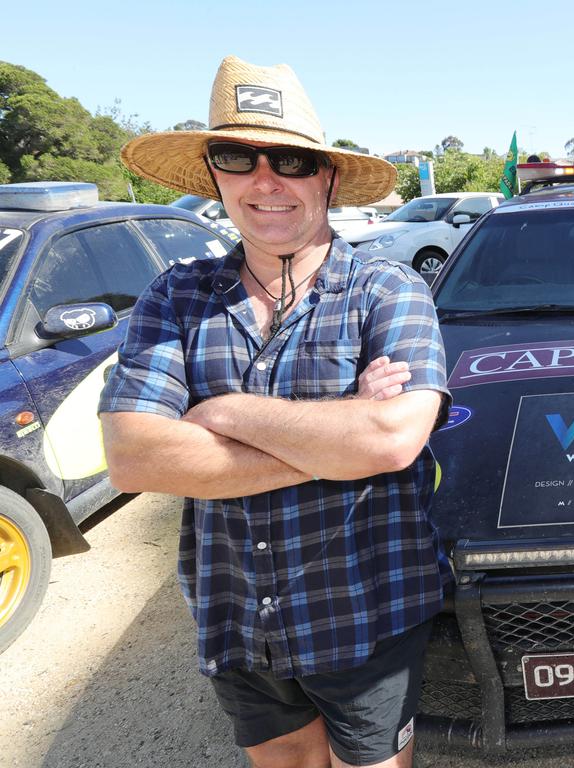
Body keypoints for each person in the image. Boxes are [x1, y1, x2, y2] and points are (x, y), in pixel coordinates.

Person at [100, 56, 451, 768]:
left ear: (325, 176)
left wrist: (219, 410)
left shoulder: (387, 291)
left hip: (366, 612)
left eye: (290, 160)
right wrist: (334, 436)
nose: (266, 181)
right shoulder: (177, 296)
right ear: (215, 175)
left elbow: (389, 441)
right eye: (238, 156)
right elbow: (134, 456)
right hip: (237, 614)